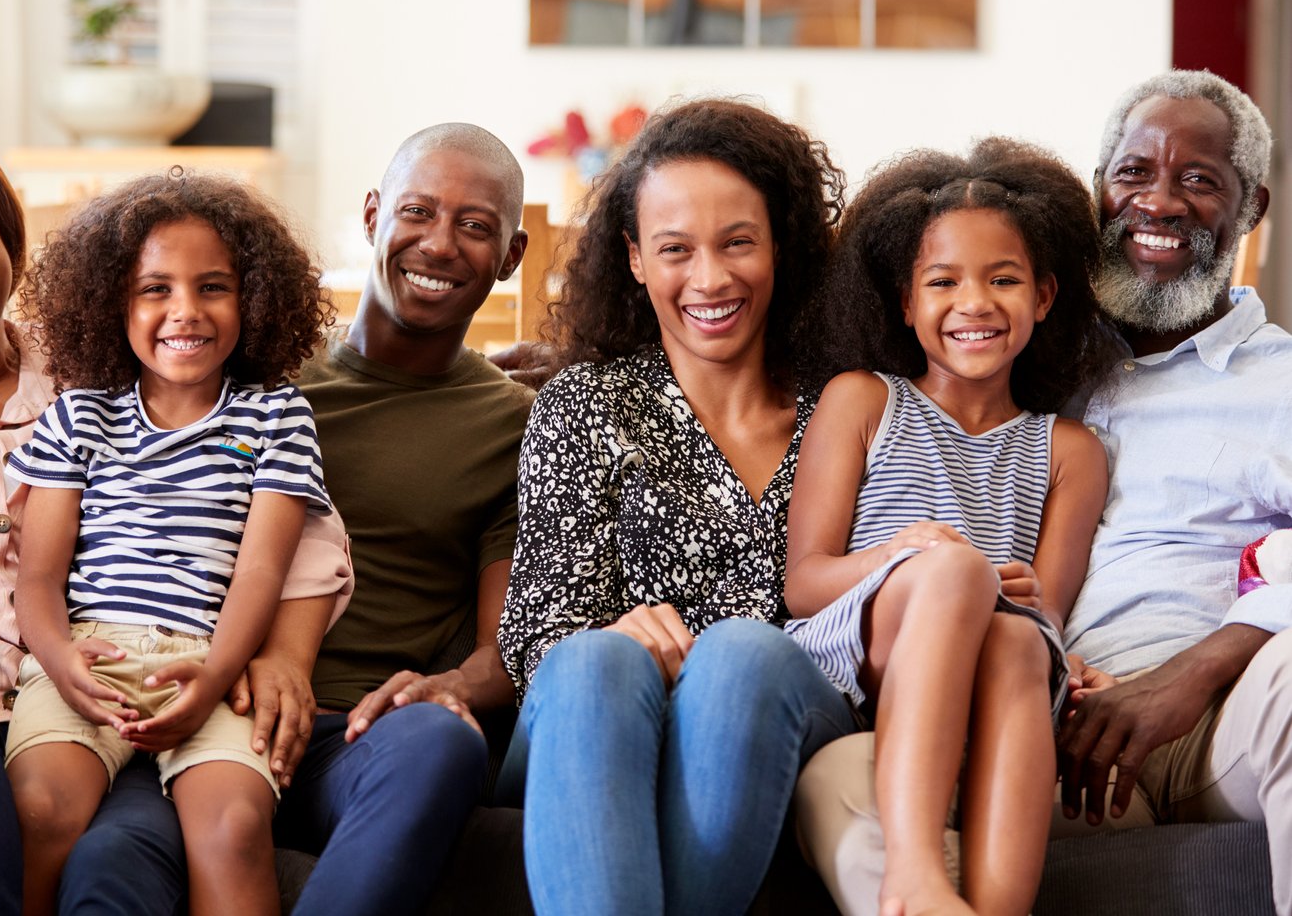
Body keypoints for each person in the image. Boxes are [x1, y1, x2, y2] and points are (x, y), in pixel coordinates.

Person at [796, 69, 1292, 916]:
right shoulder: (1048, 362)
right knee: (844, 781)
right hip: (1041, 730)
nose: (1160, 203)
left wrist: (1196, 670)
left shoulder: (1274, 384)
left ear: (1252, 208)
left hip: (1210, 720)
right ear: (1097, 194)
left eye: (1200, 179)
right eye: (1134, 173)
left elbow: (1043, 613)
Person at [495, 99, 859, 916]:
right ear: (633, 259)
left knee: (744, 654)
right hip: (595, 722)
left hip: (785, 712)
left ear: (781, 247)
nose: (710, 279)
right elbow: (533, 644)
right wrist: (612, 632)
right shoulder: (584, 407)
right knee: (594, 659)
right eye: (675, 250)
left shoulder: (849, 410)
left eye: (738, 242)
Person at [3, 172, 349, 916]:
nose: (184, 311)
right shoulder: (76, 419)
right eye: (154, 289)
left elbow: (262, 569)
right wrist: (62, 665)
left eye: (213, 287)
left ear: (253, 300)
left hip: (212, 658)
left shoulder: (276, 417)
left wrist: (218, 672)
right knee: (40, 808)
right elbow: (36, 578)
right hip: (90, 655)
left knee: (231, 824)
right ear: (109, 304)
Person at [782, 138, 1111, 916]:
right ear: (905, 302)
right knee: (956, 570)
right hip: (868, 649)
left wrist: (1038, 609)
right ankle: (915, 872)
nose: (974, 303)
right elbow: (803, 584)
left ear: (1044, 295)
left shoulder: (1069, 450)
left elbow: (1048, 616)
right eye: (943, 282)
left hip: (996, 663)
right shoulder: (863, 401)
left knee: (1014, 636)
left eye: (1003, 279)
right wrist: (905, 553)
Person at [225, 122, 533, 916]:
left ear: (511, 257)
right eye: (418, 212)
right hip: (214, 715)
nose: (438, 244)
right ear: (372, 216)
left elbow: (505, 653)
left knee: (441, 741)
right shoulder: (254, 375)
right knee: (117, 857)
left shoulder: (514, 425)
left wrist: (443, 690)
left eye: (475, 227)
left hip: (358, 740)